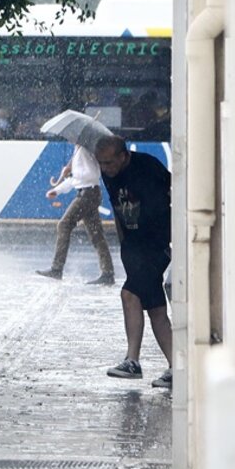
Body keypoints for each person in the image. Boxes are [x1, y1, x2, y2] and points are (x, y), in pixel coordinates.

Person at [94, 135, 173, 389]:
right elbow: (118, 211)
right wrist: (125, 245)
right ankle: (178, 366)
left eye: (109, 162)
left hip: (156, 245)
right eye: (101, 163)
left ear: (123, 155)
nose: (105, 168)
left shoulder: (147, 168)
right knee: (156, 310)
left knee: (129, 294)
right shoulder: (109, 173)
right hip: (134, 248)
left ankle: (132, 361)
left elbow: (171, 197)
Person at [35, 144, 115, 285]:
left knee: (64, 225)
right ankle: (108, 273)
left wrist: (72, 170)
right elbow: (76, 179)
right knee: (97, 235)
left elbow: (91, 174)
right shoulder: (79, 150)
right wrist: (58, 189)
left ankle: (57, 268)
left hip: (88, 194)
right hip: (88, 193)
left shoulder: (86, 148)